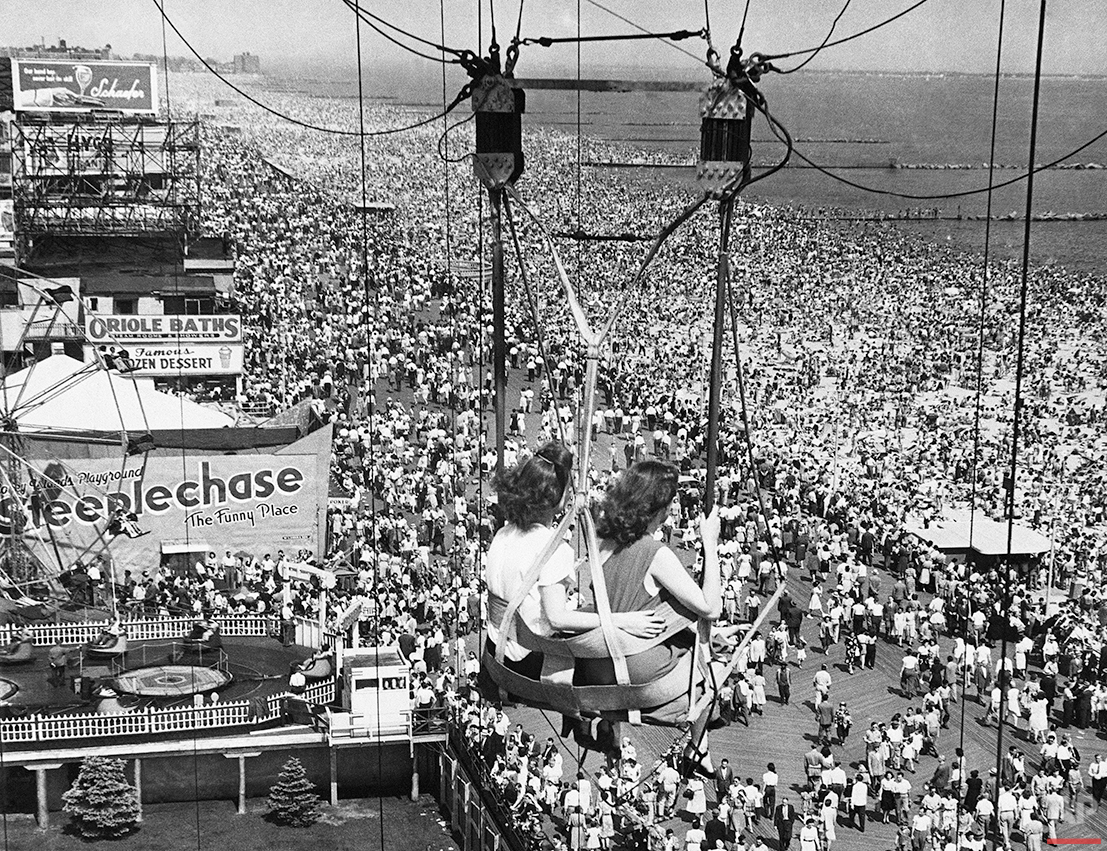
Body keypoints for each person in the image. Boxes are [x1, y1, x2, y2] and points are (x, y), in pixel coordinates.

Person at [482, 444, 666, 694]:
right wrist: (625, 621)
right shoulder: (553, 548)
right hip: (527, 661)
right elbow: (558, 618)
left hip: (496, 649)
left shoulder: (502, 534)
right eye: (568, 490)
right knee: (611, 654)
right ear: (556, 495)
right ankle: (599, 719)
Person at [576, 460, 723, 773]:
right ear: (658, 507)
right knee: (714, 661)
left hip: (597, 661)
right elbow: (712, 606)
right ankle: (698, 746)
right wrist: (710, 543)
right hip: (634, 665)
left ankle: (611, 728)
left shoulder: (604, 543)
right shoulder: (654, 553)